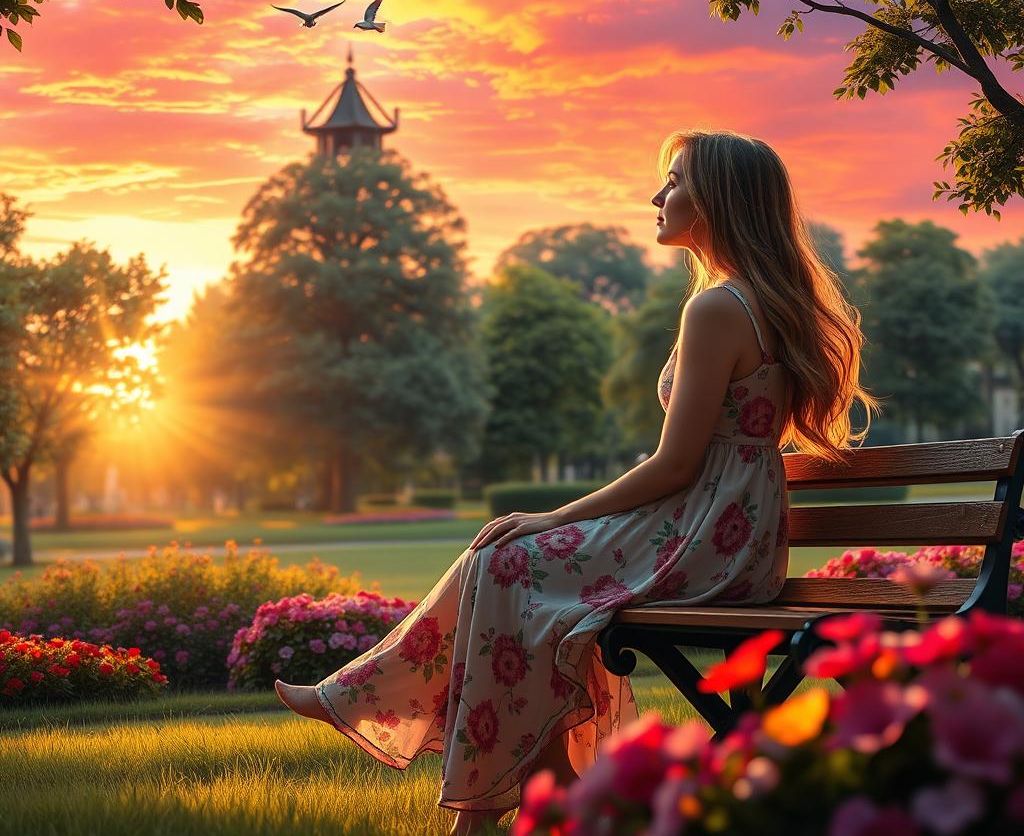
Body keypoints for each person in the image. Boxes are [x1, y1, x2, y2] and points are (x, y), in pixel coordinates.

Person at [274, 128, 880, 835]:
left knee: (507, 559)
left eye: (676, 181)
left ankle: (431, 748)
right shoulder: (762, 302)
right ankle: (533, 785)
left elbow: (675, 464)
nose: (658, 195)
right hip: (730, 535)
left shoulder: (717, 309)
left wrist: (549, 517)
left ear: (716, 201)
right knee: (514, 575)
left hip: (703, 538)